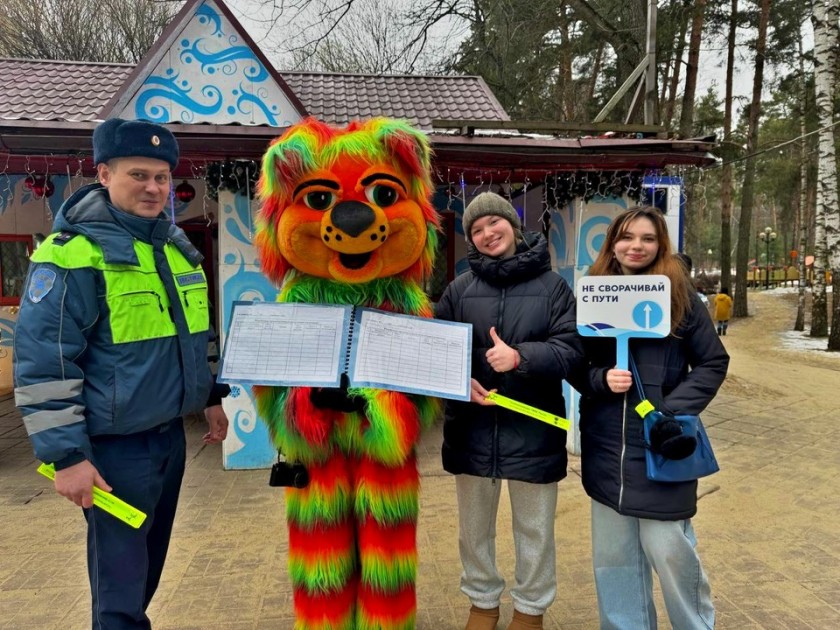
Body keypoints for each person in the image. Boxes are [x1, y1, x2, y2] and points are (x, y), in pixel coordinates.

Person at [14, 118, 229, 630]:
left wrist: (212, 396)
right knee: (120, 583)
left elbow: (196, 336)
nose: (154, 187)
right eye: (139, 174)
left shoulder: (176, 251)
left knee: (147, 569)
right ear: (104, 174)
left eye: (161, 176)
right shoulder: (71, 256)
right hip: (113, 451)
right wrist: (66, 457)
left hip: (169, 441)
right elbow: (45, 362)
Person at [569, 206, 729, 629]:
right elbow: (574, 363)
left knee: (673, 554)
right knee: (615, 563)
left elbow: (713, 362)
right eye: (626, 237)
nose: (635, 246)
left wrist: (669, 415)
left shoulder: (682, 298)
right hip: (607, 453)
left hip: (662, 452)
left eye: (647, 238)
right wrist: (602, 379)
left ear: (661, 245)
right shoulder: (592, 295)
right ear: (612, 244)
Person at [435, 192, 584, 630]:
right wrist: (459, 381)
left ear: (512, 226)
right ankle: (482, 602)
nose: (486, 234)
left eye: (493, 224)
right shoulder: (458, 290)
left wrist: (520, 357)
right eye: (476, 230)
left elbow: (572, 351)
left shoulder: (553, 287)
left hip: (533, 430)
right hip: (472, 430)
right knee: (473, 530)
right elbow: (438, 352)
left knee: (535, 530)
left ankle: (530, 610)